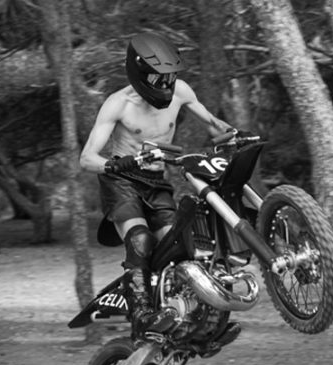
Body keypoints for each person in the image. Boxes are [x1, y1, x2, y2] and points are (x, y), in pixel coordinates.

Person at [80, 31, 231, 336]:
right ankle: (141, 315)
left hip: (156, 182)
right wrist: (114, 164)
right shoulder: (118, 104)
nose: (166, 84)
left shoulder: (181, 92)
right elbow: (86, 158)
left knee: (179, 248)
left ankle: (199, 325)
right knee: (140, 240)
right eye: (158, 78)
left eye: (170, 77)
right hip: (122, 181)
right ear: (139, 74)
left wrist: (235, 135)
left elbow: (216, 126)